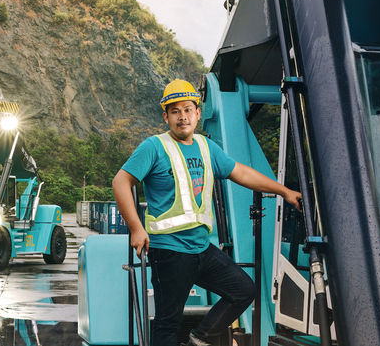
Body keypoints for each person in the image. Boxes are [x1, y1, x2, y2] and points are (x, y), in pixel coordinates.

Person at [112, 79, 302, 346]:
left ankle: (200, 339)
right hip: (169, 250)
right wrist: (136, 227)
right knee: (168, 321)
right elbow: (121, 181)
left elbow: (242, 173)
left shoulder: (206, 147)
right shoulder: (154, 147)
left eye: (188, 110)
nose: (182, 117)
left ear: (198, 113)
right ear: (166, 116)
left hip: (201, 249)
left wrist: (284, 191)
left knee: (243, 290)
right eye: (175, 111)